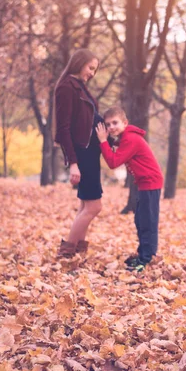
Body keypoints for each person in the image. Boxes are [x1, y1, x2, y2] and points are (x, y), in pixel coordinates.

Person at [95, 106, 163, 272]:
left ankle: (147, 259)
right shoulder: (125, 137)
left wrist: (103, 141)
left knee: (148, 222)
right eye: (108, 124)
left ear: (125, 123)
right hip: (144, 183)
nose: (111, 127)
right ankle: (143, 254)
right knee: (140, 220)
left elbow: (113, 162)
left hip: (151, 183)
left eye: (115, 123)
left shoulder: (131, 138)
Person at [54, 49, 104, 258]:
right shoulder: (67, 87)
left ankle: (78, 252)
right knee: (94, 207)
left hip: (90, 152)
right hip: (82, 154)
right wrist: (73, 163)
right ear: (79, 63)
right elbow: (63, 129)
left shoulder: (80, 87)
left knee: (85, 205)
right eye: (90, 67)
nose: (92, 73)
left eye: (95, 69)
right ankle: (66, 253)